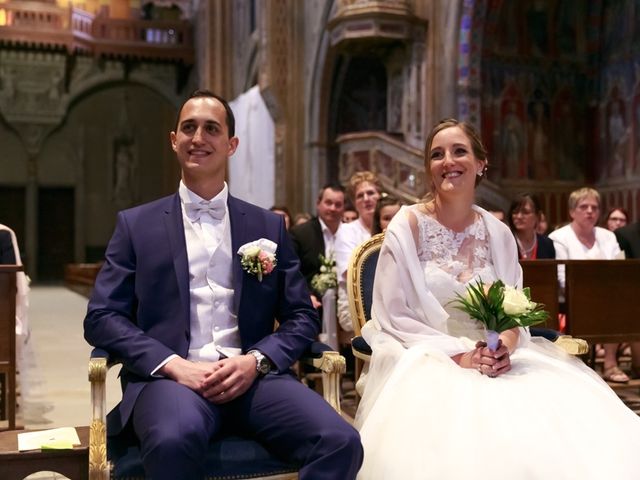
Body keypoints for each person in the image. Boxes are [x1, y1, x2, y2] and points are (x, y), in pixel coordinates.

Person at [83, 90, 362, 480]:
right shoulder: (136, 225)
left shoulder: (266, 227)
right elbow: (101, 317)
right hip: (171, 381)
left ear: (231, 145)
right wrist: (173, 365)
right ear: (173, 140)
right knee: (173, 440)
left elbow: (301, 315)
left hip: (256, 379)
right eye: (189, 128)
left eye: (211, 129)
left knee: (341, 441)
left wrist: (256, 361)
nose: (199, 138)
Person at [355, 119, 640, 479]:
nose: (448, 161)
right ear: (429, 169)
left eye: (460, 151)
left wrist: (501, 347)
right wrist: (462, 355)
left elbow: (513, 311)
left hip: (497, 355)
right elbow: (394, 315)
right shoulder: (407, 225)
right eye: (437, 154)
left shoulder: (498, 233)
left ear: (480, 163)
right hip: (428, 354)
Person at [549, 188, 627, 382]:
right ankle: (577, 364)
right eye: (584, 207)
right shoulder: (559, 237)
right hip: (571, 297)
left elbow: (618, 267)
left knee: (619, 302)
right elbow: (561, 276)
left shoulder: (608, 236)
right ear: (572, 211)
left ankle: (610, 363)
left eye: (594, 207)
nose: (590, 211)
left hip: (608, 296)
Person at [334, 171, 382, 333]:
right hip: (357, 301)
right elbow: (351, 272)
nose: (366, 199)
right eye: (360, 196)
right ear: (355, 203)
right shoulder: (347, 231)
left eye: (371, 193)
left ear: (380, 196)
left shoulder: (393, 226)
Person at [290, 183, 346, 308]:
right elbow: (293, 272)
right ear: (318, 203)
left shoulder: (351, 233)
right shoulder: (300, 234)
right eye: (328, 202)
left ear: (344, 208)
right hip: (312, 304)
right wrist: (306, 295)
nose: (333, 208)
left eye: (338, 205)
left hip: (346, 302)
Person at [508, 193, 555, 259]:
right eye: (515, 212)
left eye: (525, 212)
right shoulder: (505, 242)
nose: (519, 216)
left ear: (537, 216)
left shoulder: (547, 244)